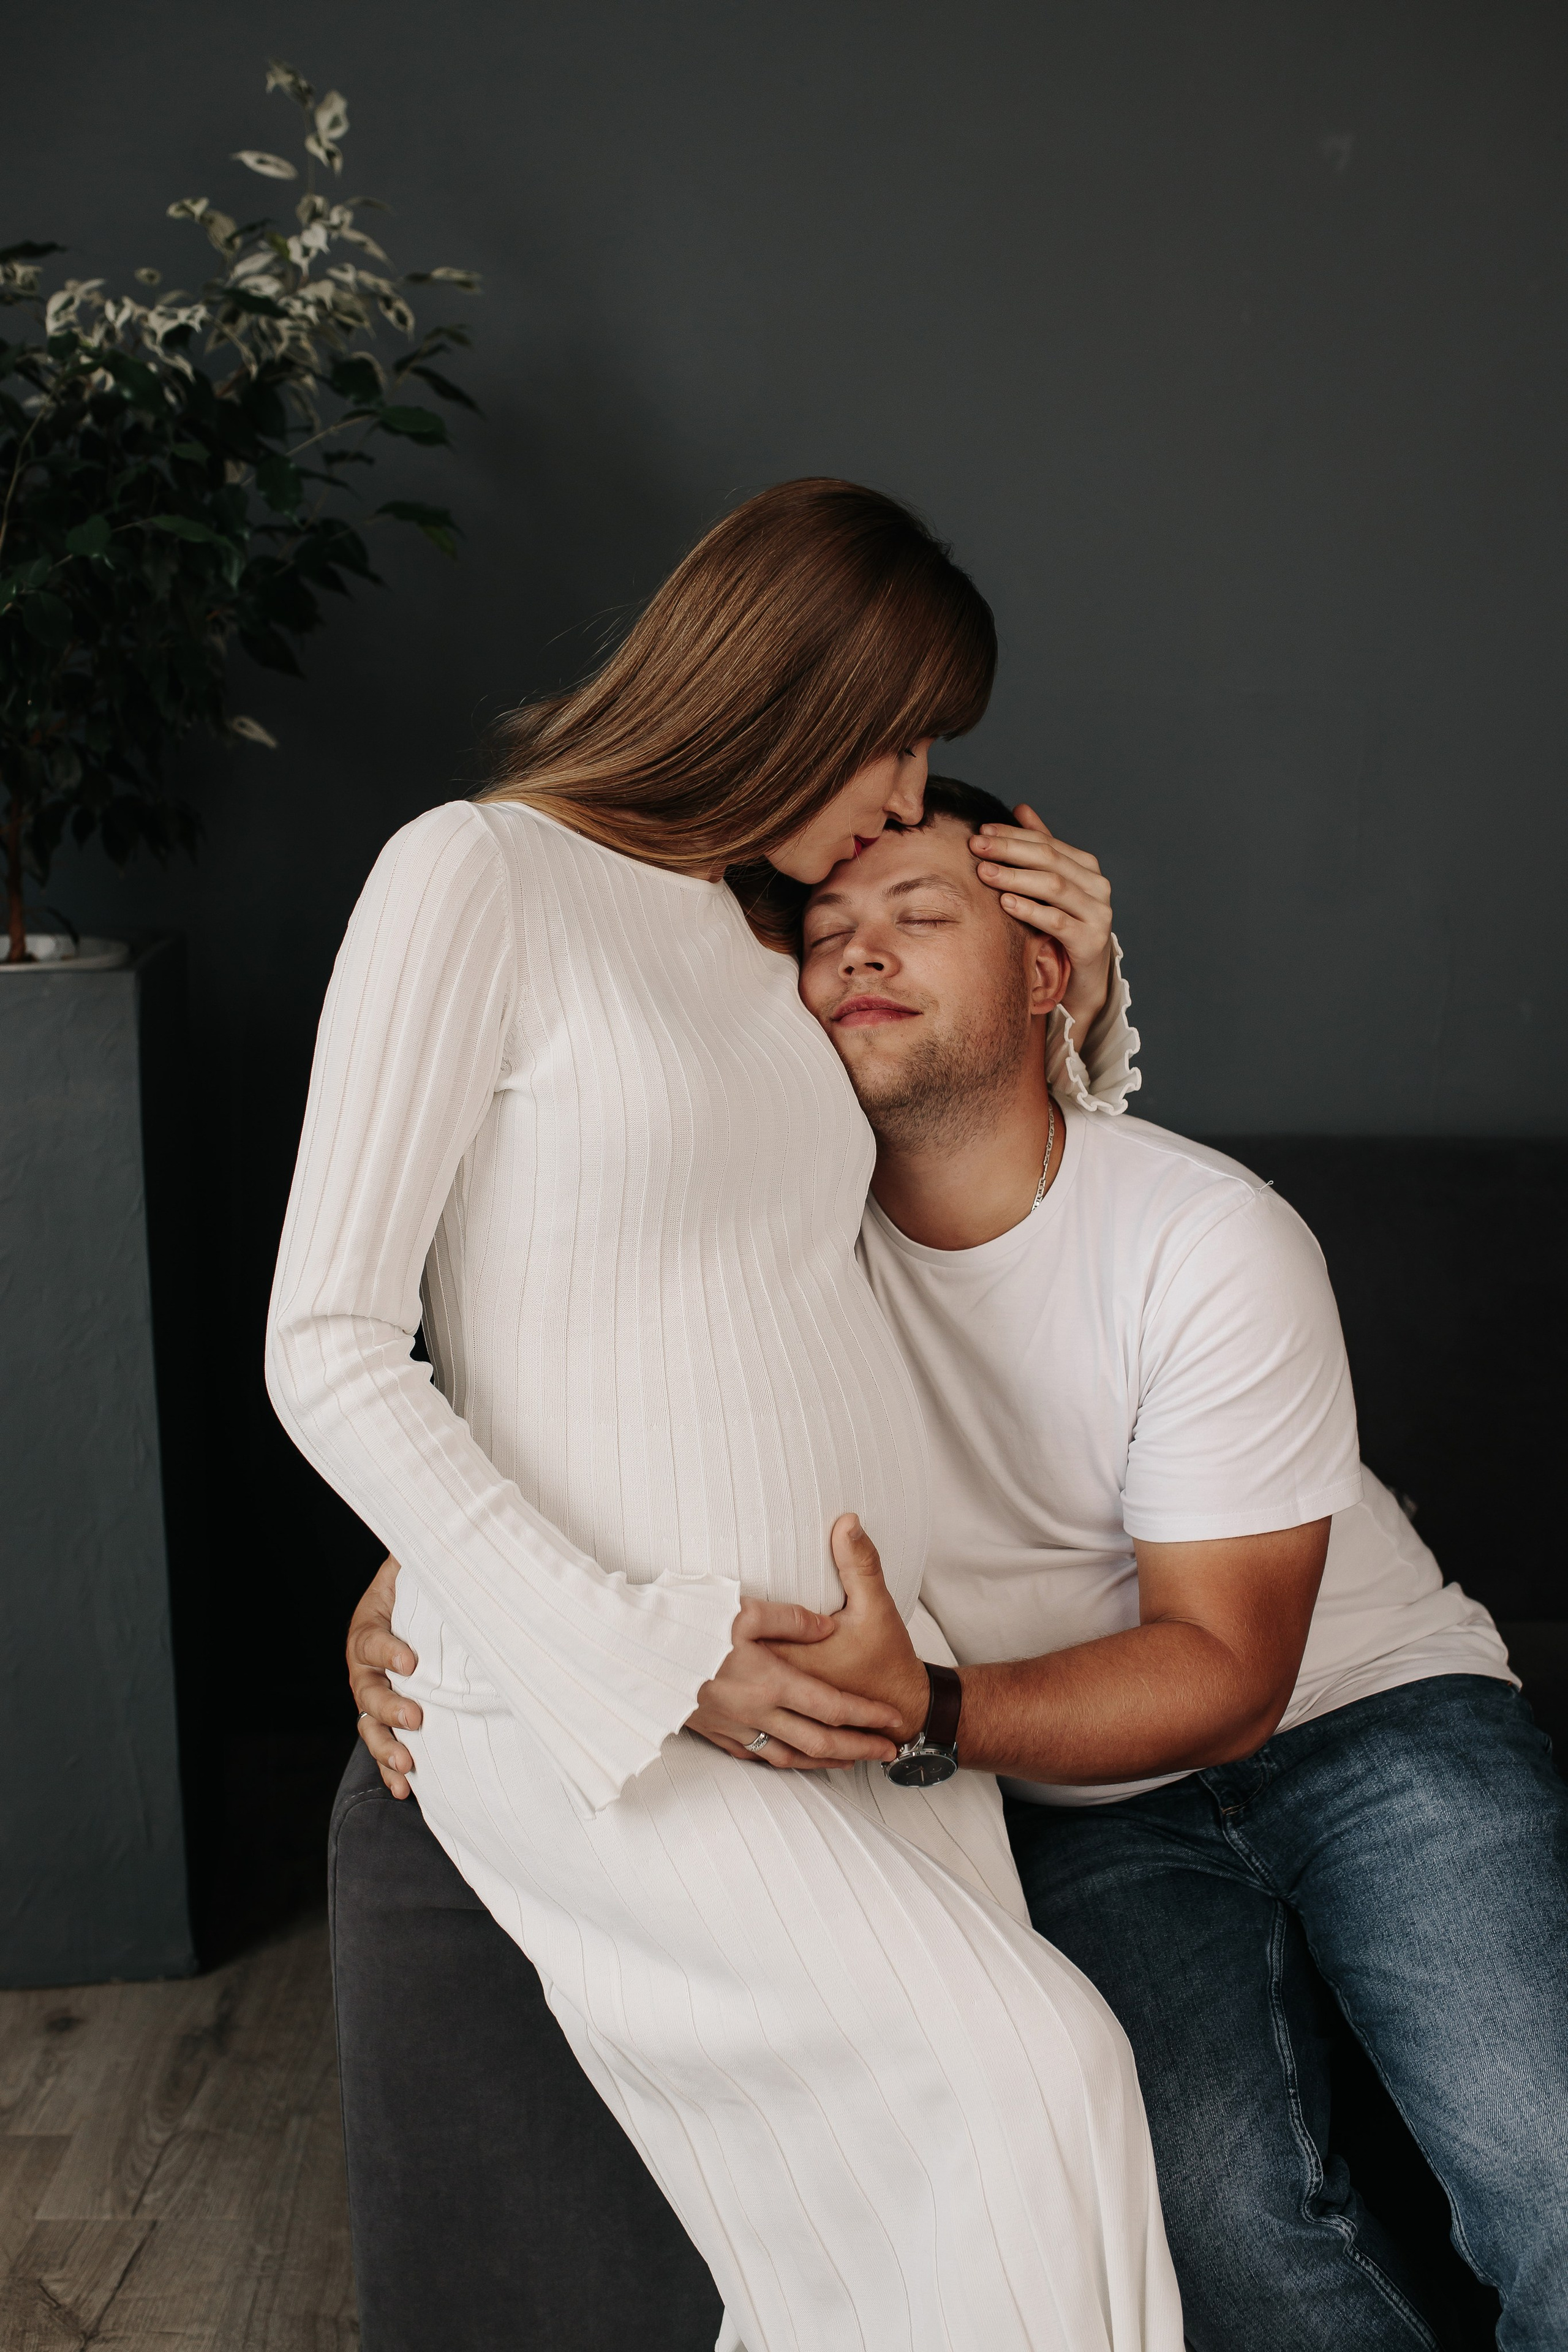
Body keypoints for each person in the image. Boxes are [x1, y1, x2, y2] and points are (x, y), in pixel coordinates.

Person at [354, 775, 1568, 2351]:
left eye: (922, 919)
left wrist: (920, 1710)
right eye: (827, 935)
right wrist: (432, 1573)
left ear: (1047, 974)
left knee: (1544, 2155)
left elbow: (1222, 1675)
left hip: (1365, 1715)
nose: (861, 955)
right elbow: (570, 1417)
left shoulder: (1205, 1237)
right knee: (1215, 2232)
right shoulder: (756, 1260)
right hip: (1074, 1806)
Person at [267, 482, 1183, 2352]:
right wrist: (633, 1645)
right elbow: (328, 1341)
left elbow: (918, 1227)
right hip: (631, 1708)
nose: (911, 794)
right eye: (896, 736)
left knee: (884, 2268)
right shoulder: (478, 875)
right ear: (777, 684)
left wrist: (1065, 1002)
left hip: (851, 1691)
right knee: (1044, 2083)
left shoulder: (764, 936)